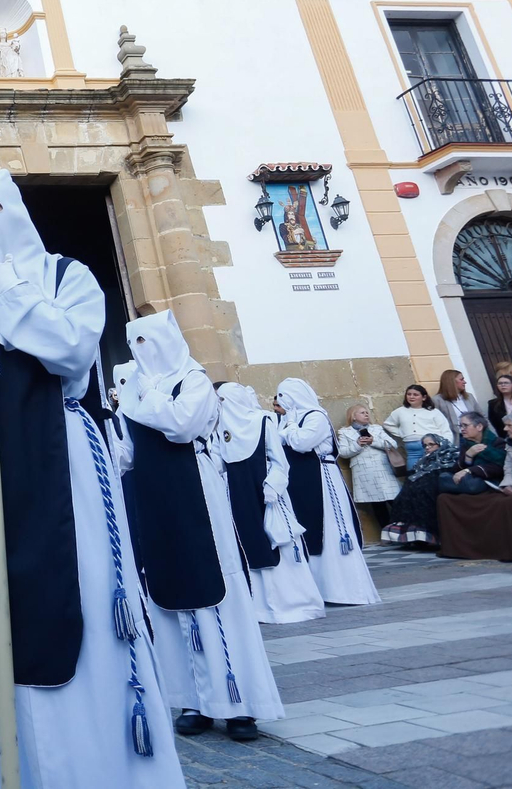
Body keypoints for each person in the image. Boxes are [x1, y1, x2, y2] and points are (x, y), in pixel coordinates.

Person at [0, 172, 184, 786]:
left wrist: (11, 291)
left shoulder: (68, 276)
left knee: (85, 592)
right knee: (13, 610)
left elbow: (72, 351)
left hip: (64, 457)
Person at [120, 316, 283, 743]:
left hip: (195, 486)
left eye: (146, 339)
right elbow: (126, 447)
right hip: (153, 496)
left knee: (216, 588)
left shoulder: (192, 379)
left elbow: (182, 425)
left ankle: (240, 703)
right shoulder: (133, 386)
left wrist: (142, 399)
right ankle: (191, 698)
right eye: (132, 341)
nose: (140, 348)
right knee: (168, 591)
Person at [216, 383, 323, 624]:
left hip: (266, 492)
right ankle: (259, 607)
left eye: (223, 401)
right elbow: (217, 460)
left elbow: (279, 460)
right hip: (238, 494)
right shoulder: (219, 427)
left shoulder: (263, 420)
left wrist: (274, 484)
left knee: (277, 543)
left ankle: (293, 604)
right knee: (249, 546)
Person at [277, 378, 380, 605]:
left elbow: (302, 443)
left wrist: (290, 426)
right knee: (312, 531)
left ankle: (347, 590)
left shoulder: (315, 416)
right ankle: (322, 590)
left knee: (331, 530)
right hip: (304, 481)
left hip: (323, 479)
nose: (282, 402)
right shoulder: (289, 419)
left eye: (284, 396)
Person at [437, 412, 512, 564]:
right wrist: (506, 485)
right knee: (446, 499)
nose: (505, 429)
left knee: (506, 503)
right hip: (509, 485)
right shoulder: (511, 443)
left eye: (509, 425)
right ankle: (466, 548)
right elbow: (508, 469)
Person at [381, 434, 458, 547]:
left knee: (423, 496)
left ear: (440, 444)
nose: (427, 448)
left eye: (431, 444)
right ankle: (412, 536)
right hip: (418, 489)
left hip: (435, 486)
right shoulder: (424, 460)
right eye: (425, 445)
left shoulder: (450, 455)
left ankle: (429, 536)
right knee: (405, 495)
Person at [337, 405, 402, 525]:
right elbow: (343, 453)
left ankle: (406, 531)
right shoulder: (344, 432)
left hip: (383, 470)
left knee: (396, 501)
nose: (366, 414)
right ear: (353, 416)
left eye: (367, 412)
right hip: (365, 472)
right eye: (362, 413)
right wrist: (357, 445)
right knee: (377, 504)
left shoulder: (376, 428)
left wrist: (374, 441)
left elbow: (393, 444)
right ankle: (387, 533)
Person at [383, 384, 454, 469]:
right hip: (412, 451)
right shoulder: (400, 411)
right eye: (409, 394)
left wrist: (445, 446)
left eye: (415, 395)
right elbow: (388, 424)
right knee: (413, 473)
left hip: (432, 448)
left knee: (433, 472)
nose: (411, 397)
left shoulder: (433, 412)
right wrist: (402, 433)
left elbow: (445, 430)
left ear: (423, 397)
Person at [438, 412, 503, 495]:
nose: (462, 429)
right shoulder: (466, 444)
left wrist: (469, 470)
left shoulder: (497, 442)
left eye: (465, 425)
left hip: (488, 480)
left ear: (479, 427)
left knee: (473, 483)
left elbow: (498, 467)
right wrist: (468, 457)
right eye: (460, 426)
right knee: (443, 477)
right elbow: (456, 470)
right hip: (469, 478)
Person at [434, 370, 482, 440]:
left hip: (476, 437)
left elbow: (481, 416)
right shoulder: (437, 400)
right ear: (451, 382)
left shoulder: (469, 396)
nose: (465, 382)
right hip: (456, 439)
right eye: (461, 379)